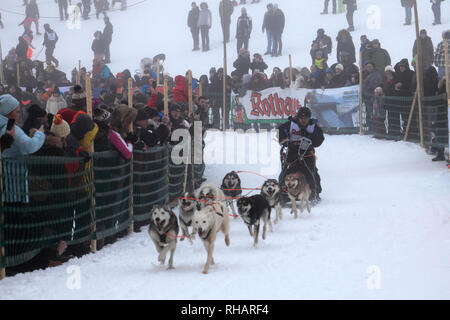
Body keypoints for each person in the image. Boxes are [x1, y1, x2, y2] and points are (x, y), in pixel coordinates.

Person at [278, 107, 325, 203]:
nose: (303, 120)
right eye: (301, 118)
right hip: (292, 151)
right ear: (298, 117)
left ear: (309, 118)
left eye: (306, 118)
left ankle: (314, 192)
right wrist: (284, 140)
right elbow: (279, 133)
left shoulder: (313, 127)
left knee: (311, 172)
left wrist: (312, 140)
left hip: (307, 153)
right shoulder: (290, 125)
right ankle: (282, 192)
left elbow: (320, 139)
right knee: (287, 171)